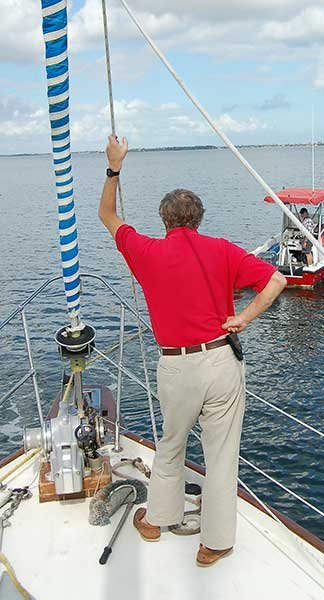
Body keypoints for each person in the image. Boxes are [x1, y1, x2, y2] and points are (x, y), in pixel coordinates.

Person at [98, 135, 287, 567]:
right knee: (221, 455)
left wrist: (114, 166)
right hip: (222, 359)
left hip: (177, 366)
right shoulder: (221, 249)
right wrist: (244, 318)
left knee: (171, 444)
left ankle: (156, 520)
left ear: (164, 220)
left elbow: (106, 214)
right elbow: (275, 281)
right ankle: (215, 543)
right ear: (198, 219)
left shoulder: (146, 251)